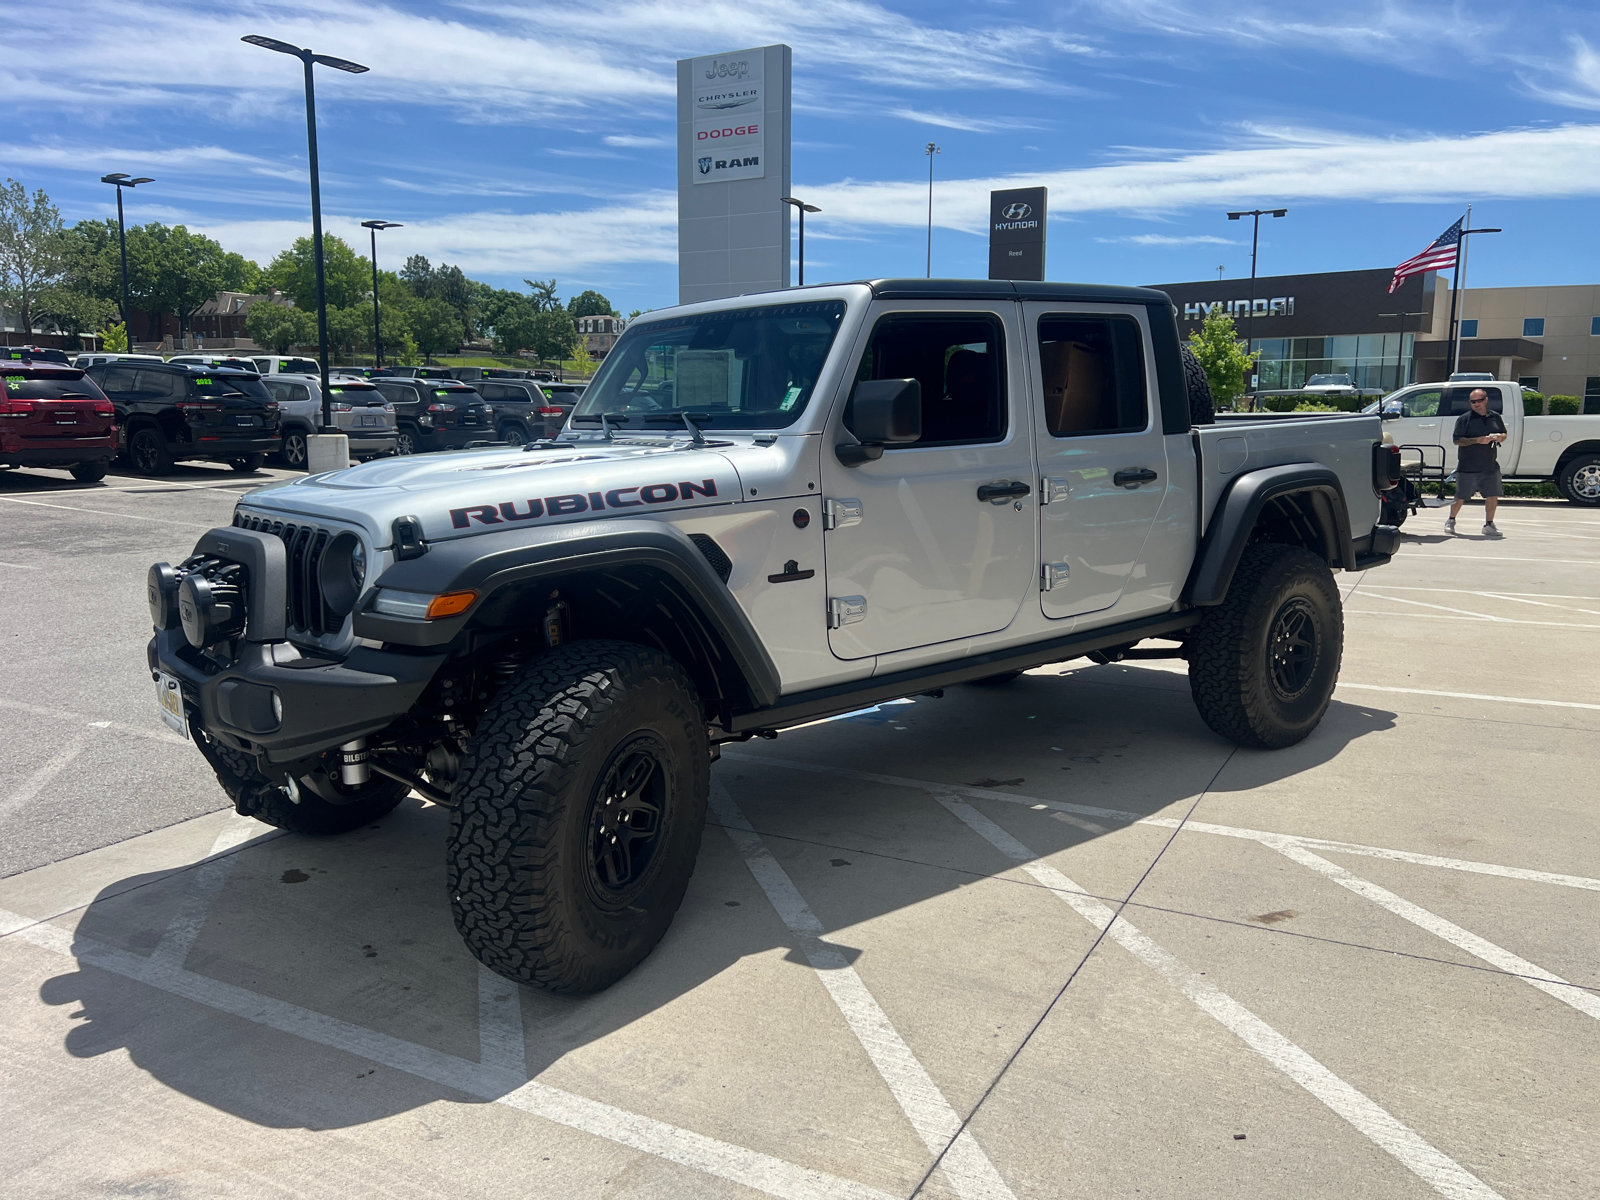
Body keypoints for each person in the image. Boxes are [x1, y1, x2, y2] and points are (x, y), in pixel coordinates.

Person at [1446, 388, 1507, 538]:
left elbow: (1504, 433)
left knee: (1492, 495)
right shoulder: (1464, 419)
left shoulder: (1495, 417)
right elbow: (1457, 440)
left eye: (1479, 401)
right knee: (1461, 496)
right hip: (1468, 465)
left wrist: (1499, 437)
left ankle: (1489, 525)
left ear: (1486, 400)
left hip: (1490, 464)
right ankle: (1451, 520)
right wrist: (1477, 440)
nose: (1476, 404)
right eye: (1473, 402)